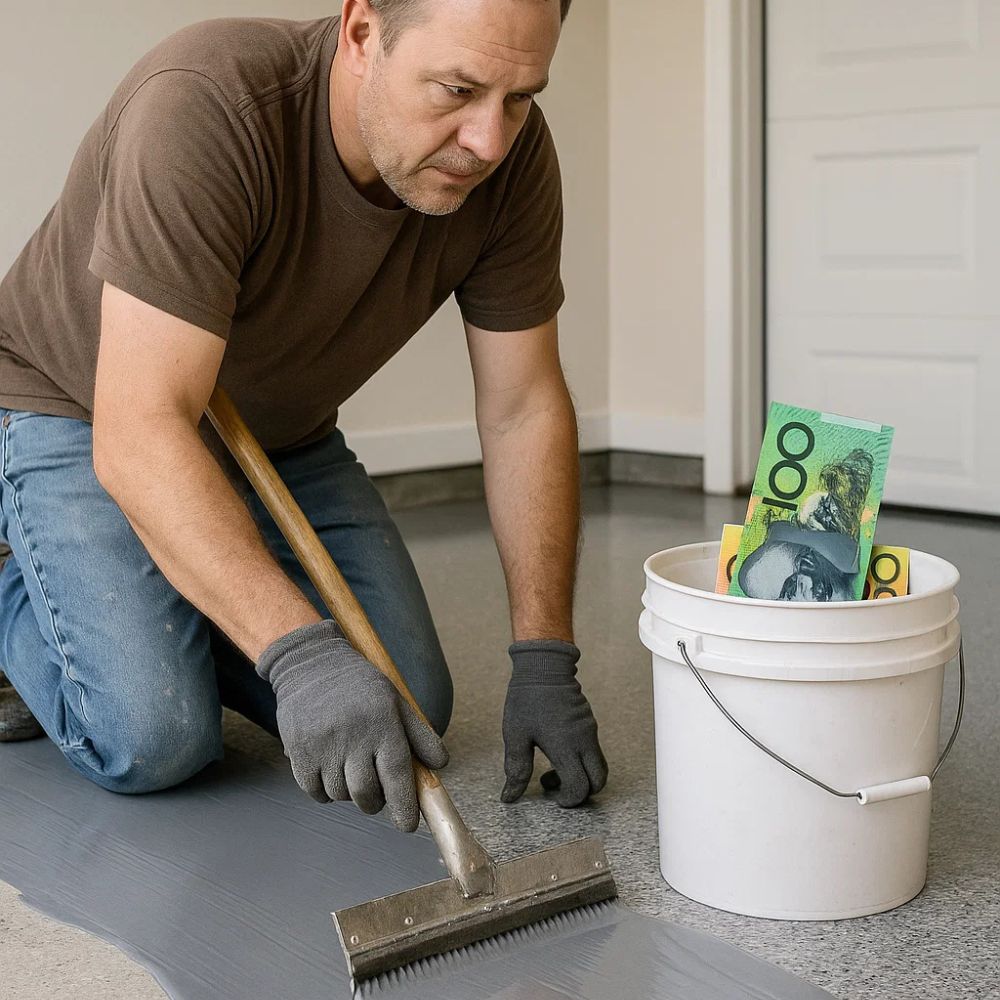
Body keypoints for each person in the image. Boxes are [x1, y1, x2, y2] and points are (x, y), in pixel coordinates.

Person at [0, 0, 608, 833]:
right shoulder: (206, 107)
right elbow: (143, 431)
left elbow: (523, 407)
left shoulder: (509, 161)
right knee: (155, 735)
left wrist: (546, 656)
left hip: (279, 435)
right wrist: (301, 653)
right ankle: (21, 575)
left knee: (412, 707)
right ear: (363, 32)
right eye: (457, 89)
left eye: (520, 97)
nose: (488, 142)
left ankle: (177, 597)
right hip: (80, 409)